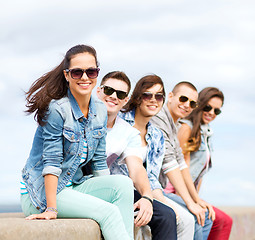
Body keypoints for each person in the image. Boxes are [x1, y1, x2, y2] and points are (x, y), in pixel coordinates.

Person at [20, 45, 134, 240]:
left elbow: (99, 162)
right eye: (77, 72)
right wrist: (51, 208)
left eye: (91, 71)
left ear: (97, 73)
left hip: (74, 185)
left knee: (123, 184)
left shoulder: (100, 109)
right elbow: (52, 162)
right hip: (41, 193)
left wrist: (106, 191)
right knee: (109, 212)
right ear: (67, 75)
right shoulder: (57, 109)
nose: (84, 77)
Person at [96, 71, 177, 240]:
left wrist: (148, 197)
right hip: (100, 187)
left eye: (120, 94)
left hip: (121, 189)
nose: (113, 96)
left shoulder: (128, 132)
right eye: (109, 91)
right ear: (99, 91)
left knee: (167, 215)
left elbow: (138, 169)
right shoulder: (83, 120)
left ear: (126, 99)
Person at [150, 81, 214, 240]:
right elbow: (169, 163)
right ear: (170, 96)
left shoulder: (174, 124)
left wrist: (196, 199)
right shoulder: (159, 118)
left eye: (192, 103)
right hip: (151, 188)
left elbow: (181, 163)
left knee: (205, 217)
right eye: (183, 99)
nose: (187, 105)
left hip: (159, 187)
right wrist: (190, 202)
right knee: (194, 218)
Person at [178, 87, 233, 240]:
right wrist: (194, 200)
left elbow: (199, 174)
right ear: (200, 104)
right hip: (177, 191)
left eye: (217, 111)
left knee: (226, 221)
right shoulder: (186, 128)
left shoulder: (205, 133)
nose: (211, 113)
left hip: (191, 193)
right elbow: (181, 167)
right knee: (208, 218)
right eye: (208, 107)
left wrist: (198, 198)